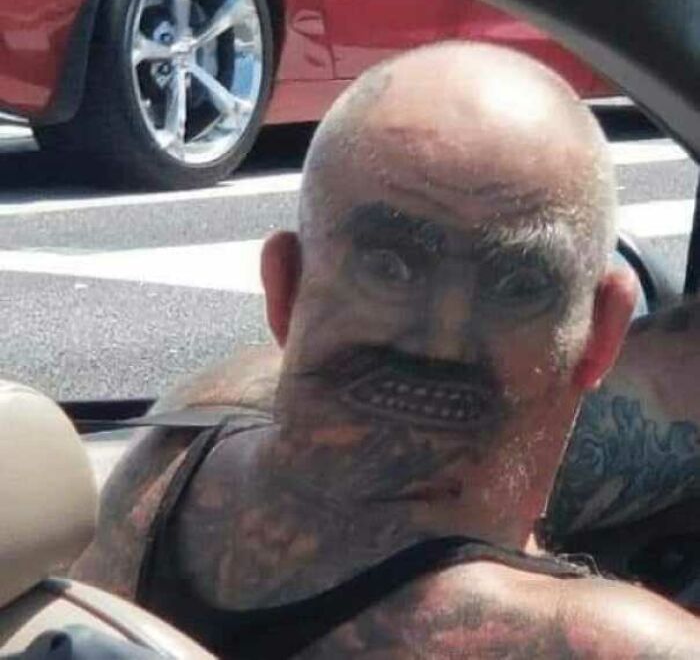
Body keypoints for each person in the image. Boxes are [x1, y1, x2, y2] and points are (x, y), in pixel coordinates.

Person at [74, 43, 700, 658]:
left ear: (282, 287)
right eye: (389, 266)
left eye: (515, 284)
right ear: (606, 332)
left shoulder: (167, 457)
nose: (443, 338)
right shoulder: (609, 644)